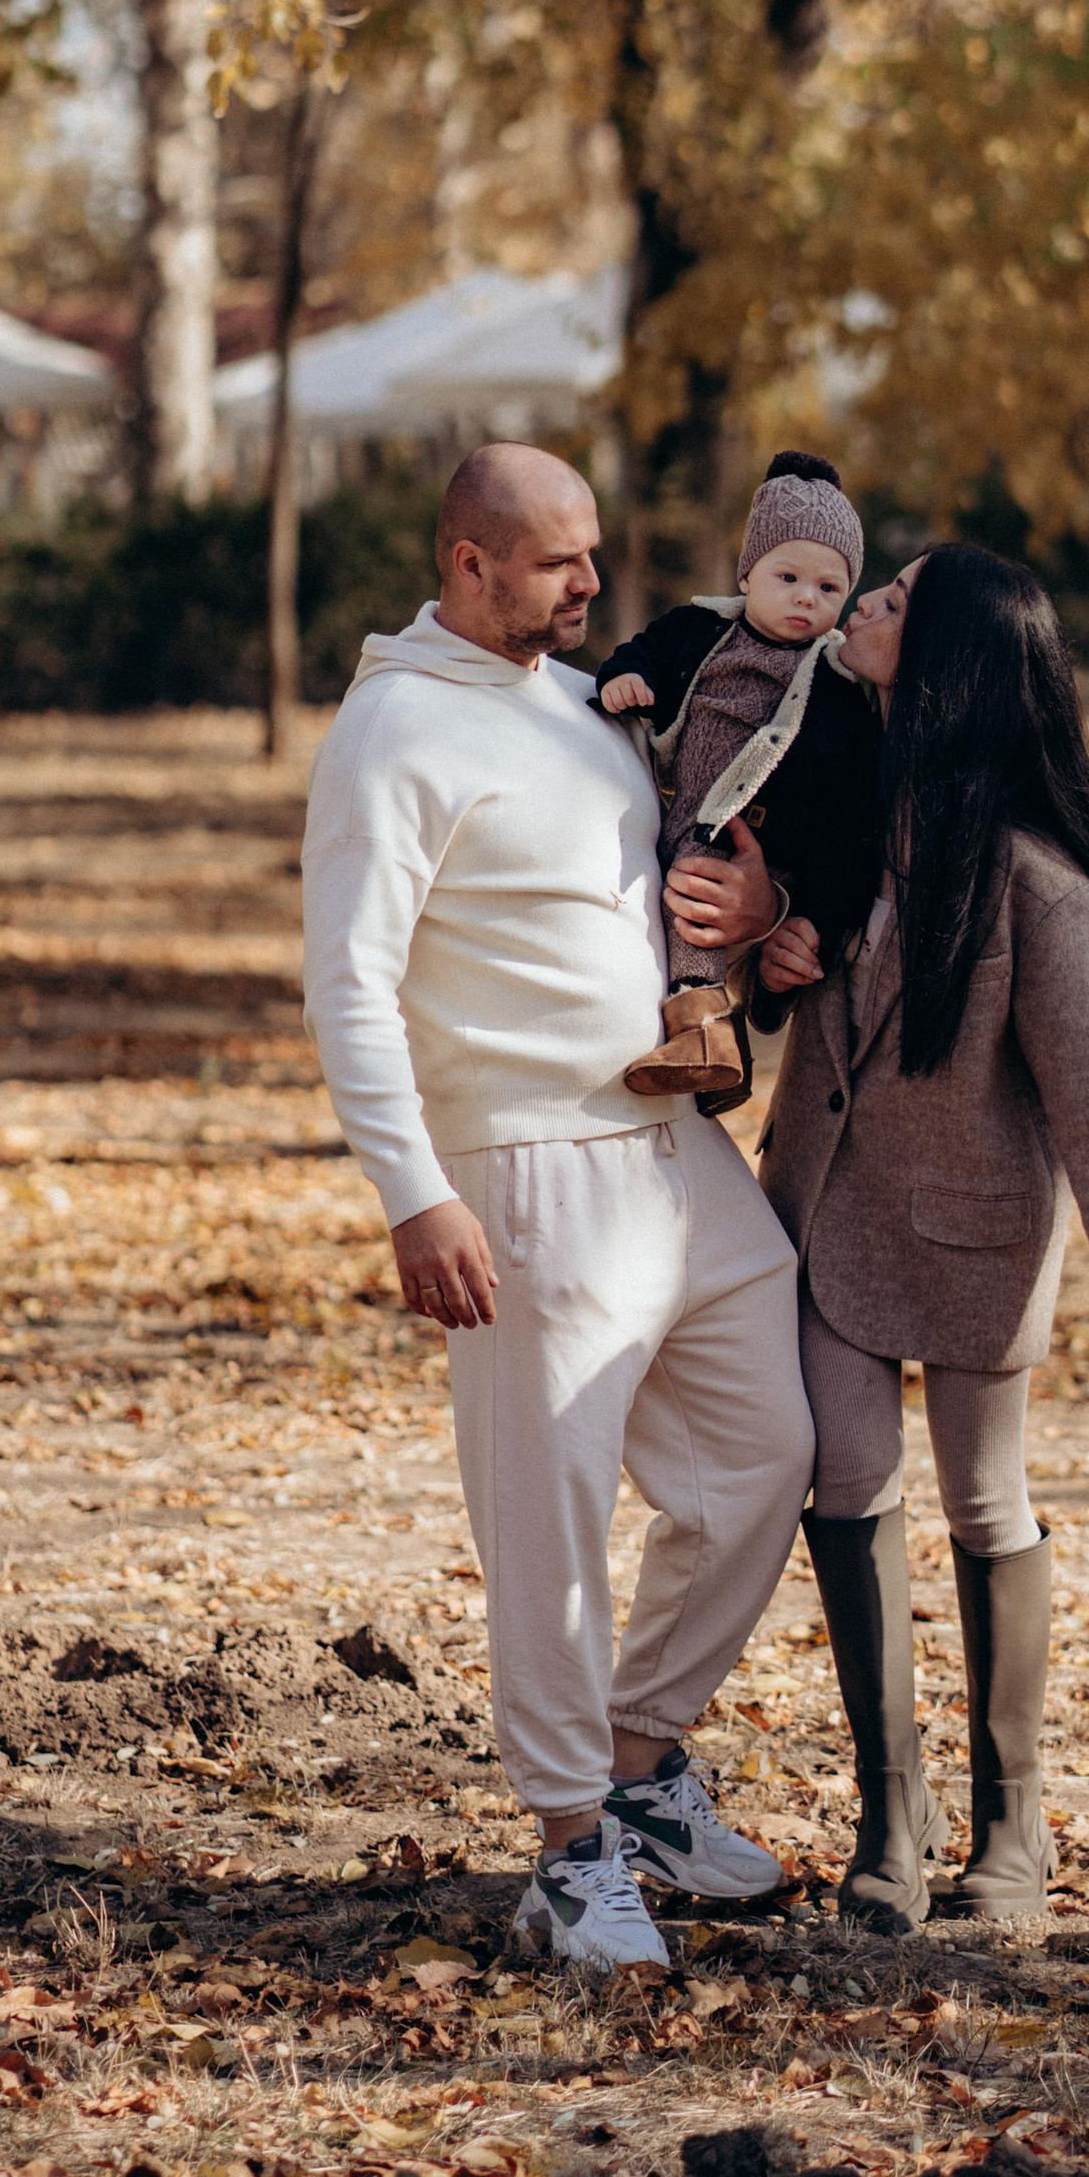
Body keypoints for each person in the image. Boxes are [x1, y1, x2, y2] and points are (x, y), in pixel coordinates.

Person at [299, 442, 812, 1979]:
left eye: (593, 554)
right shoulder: (392, 735)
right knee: (555, 1516)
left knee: (767, 1451)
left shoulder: (584, 707)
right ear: (467, 563)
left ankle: (643, 1758)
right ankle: (570, 1850)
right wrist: (414, 1194)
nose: (593, 585)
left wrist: (762, 914)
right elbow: (351, 983)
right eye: (557, 562)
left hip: (671, 1145)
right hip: (523, 1172)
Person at [755, 544, 1089, 1938]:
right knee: (845, 1474)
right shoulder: (843, 799)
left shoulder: (1035, 887)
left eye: (892, 601)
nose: (864, 605)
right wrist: (776, 948)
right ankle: (894, 1815)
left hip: (978, 1234)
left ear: (943, 659)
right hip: (831, 1207)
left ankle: (1013, 1821)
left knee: (984, 1503)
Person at [595, 450, 884, 1101]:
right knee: (681, 903)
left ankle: (706, 1038)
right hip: (689, 803)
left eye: (829, 589)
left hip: (759, 835)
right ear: (748, 573)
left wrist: (810, 903)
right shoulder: (698, 629)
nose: (807, 598)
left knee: (697, 898)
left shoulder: (836, 684)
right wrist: (625, 678)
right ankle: (718, 1061)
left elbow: (848, 806)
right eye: (788, 577)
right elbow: (643, 651)